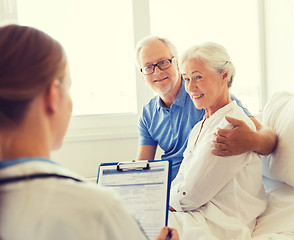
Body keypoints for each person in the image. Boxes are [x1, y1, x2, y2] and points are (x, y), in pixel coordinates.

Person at [0, 24, 178, 240]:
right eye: (69, 87)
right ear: (53, 96)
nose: (157, 71)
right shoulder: (97, 209)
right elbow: (143, 165)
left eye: (162, 63)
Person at [135, 36, 277, 181]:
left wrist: (252, 140)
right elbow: (142, 168)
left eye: (163, 62)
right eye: (148, 67)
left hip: (195, 188)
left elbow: (268, 139)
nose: (157, 72)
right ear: (142, 75)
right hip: (168, 189)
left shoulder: (204, 95)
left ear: (176, 64)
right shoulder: (148, 114)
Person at [168, 42, 267, 240]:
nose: (190, 87)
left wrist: (163, 205)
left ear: (224, 75)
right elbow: (182, 181)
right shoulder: (200, 127)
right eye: (186, 79)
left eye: (198, 77)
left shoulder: (232, 126)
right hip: (195, 217)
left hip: (220, 226)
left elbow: (192, 195)